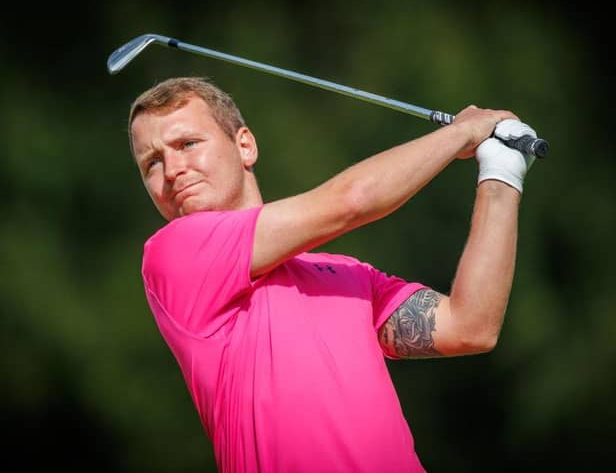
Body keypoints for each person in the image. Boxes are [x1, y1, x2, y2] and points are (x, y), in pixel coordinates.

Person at [128, 76, 537, 472]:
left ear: (245, 145)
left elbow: (471, 326)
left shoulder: (347, 274)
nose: (172, 170)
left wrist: (501, 173)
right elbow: (352, 201)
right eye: (152, 162)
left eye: (187, 144)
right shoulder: (173, 253)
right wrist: (463, 134)